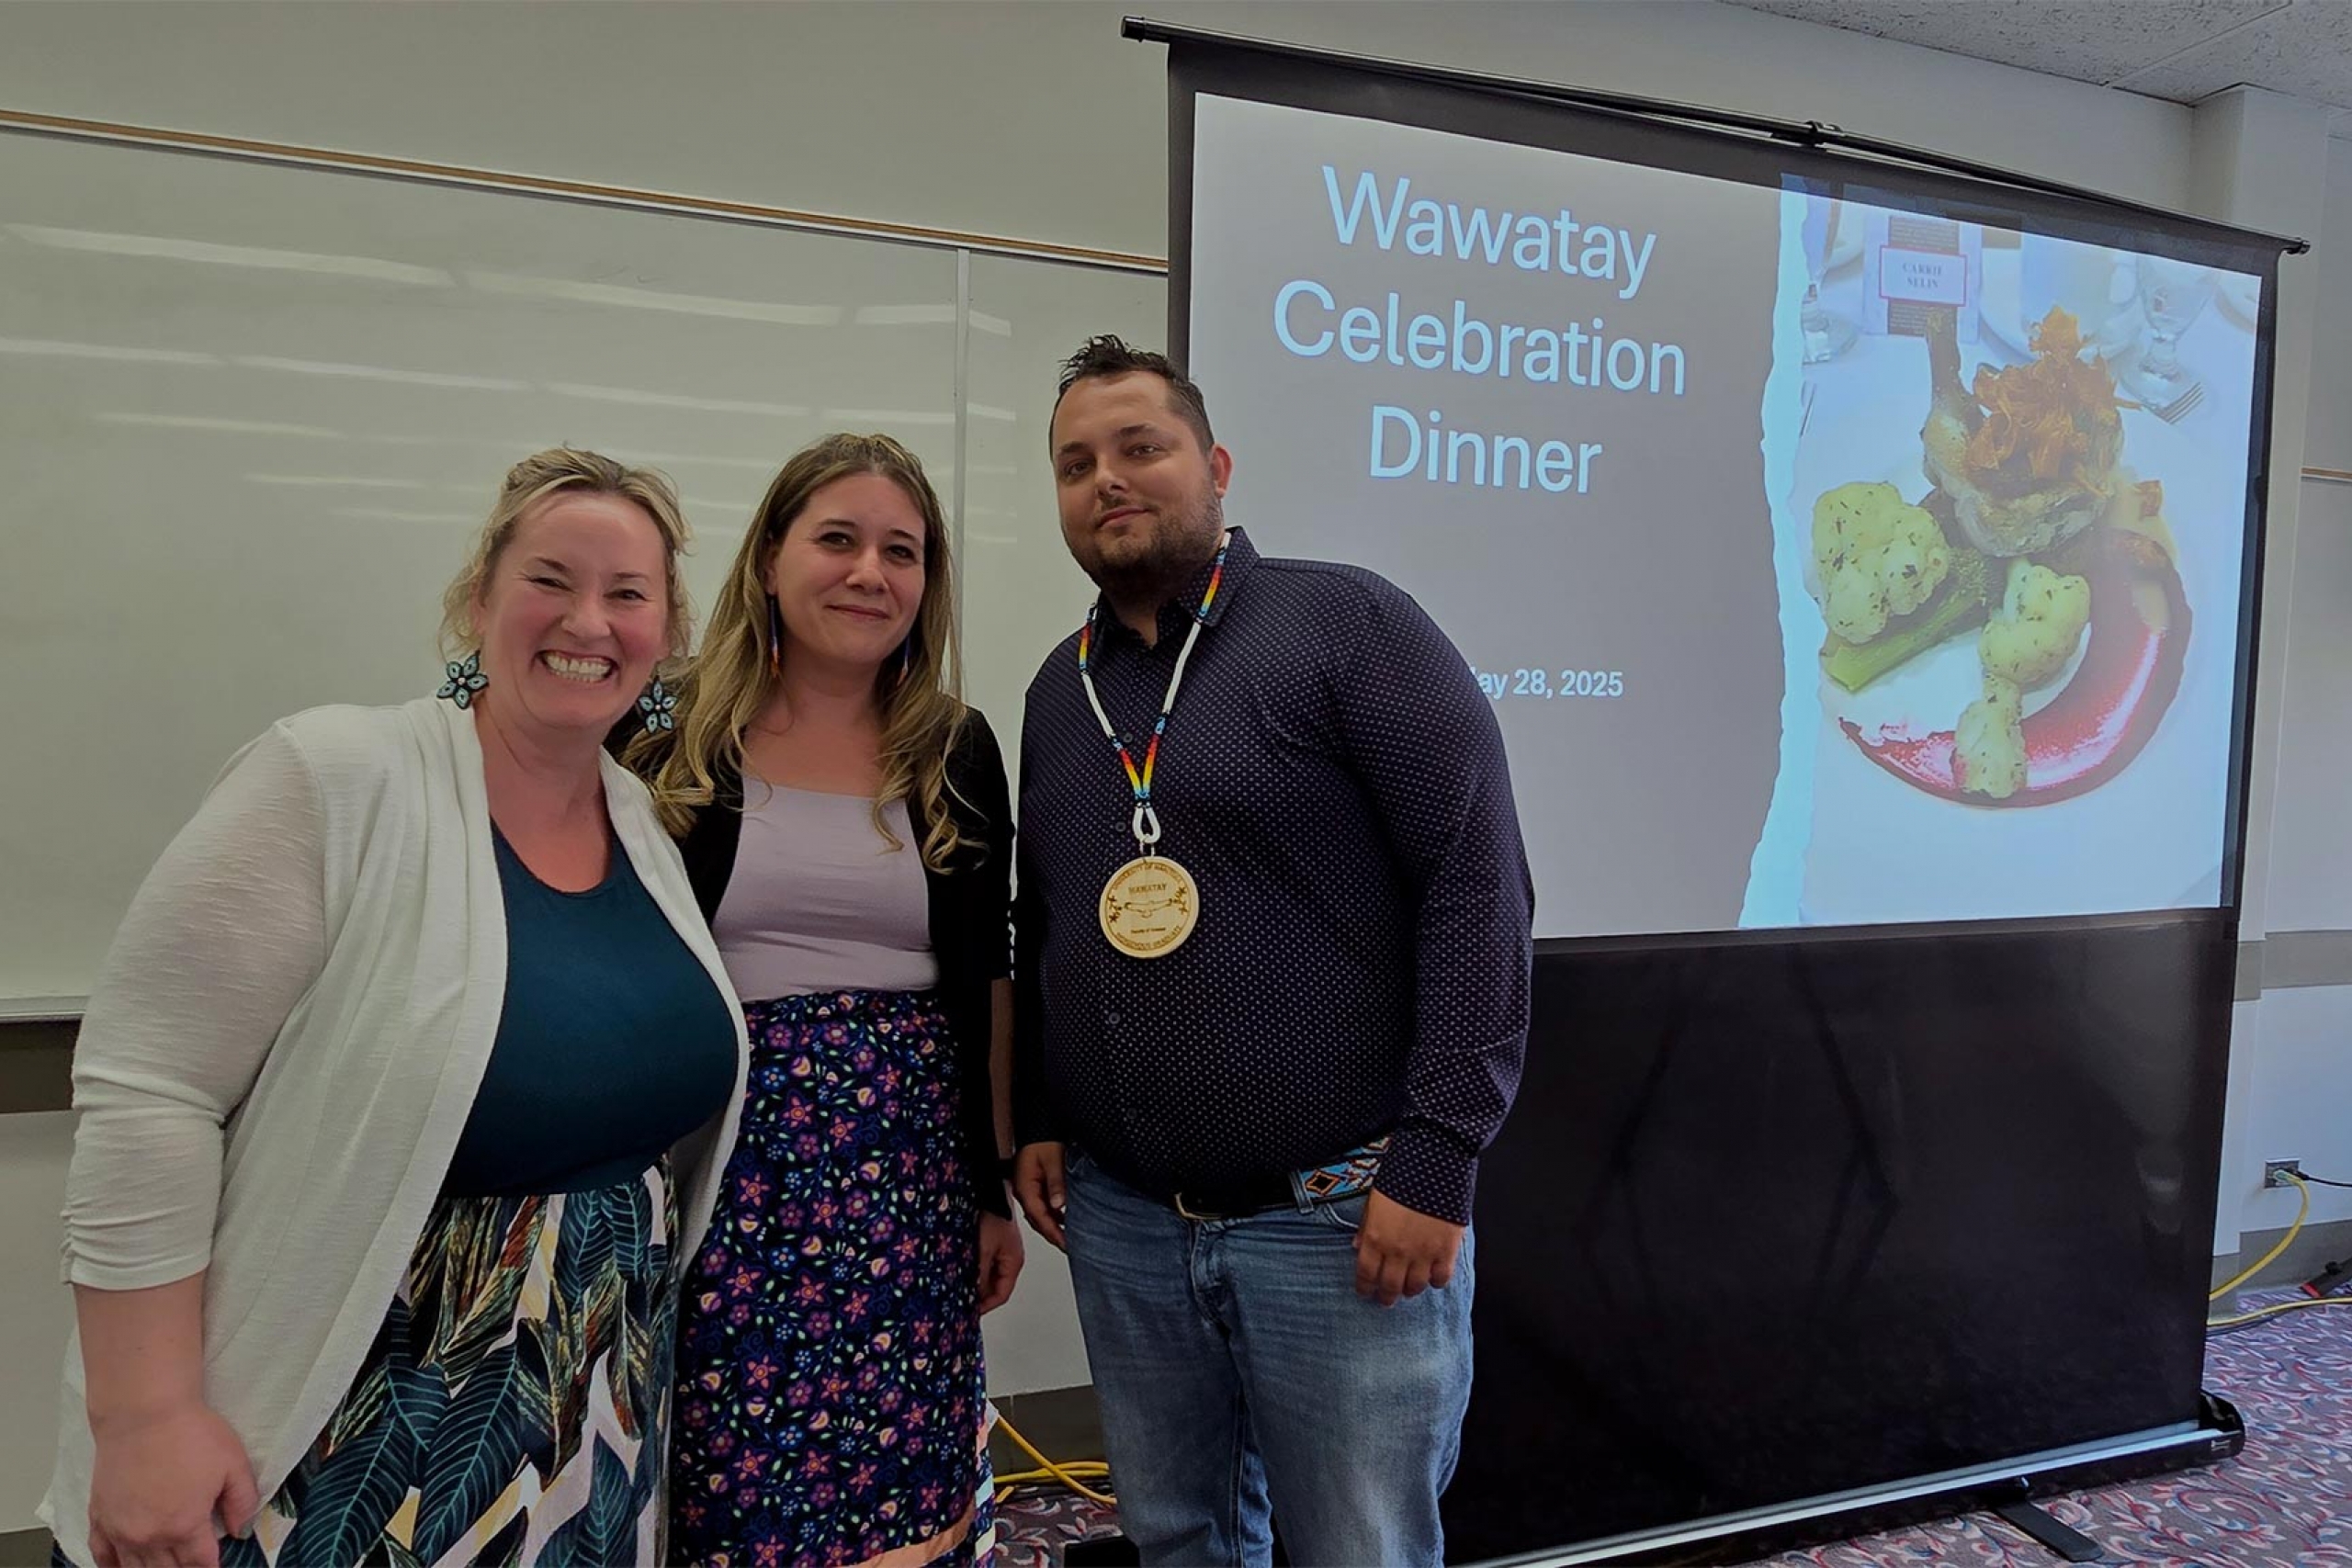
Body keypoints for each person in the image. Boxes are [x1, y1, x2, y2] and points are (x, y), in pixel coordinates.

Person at [42, 449, 749, 1568]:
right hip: (353, 1425)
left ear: (666, 635)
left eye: (629, 595)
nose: (589, 621)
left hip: (586, 1413)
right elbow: (150, 1089)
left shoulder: (643, 826)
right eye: (549, 579)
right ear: (479, 600)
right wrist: (143, 1417)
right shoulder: (336, 778)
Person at [1011, 338, 1534, 1566]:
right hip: (1127, 1221)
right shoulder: (1058, 690)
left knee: (1361, 1547)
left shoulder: (1344, 622)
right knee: (1178, 1536)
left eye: (1141, 446)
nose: (1109, 479)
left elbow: (1474, 876)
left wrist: (1441, 1152)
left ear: (1217, 463)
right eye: (1077, 461)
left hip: (1342, 1215)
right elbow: (1048, 917)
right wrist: (1036, 1106)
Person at [628, 433, 1023, 1568]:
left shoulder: (952, 746)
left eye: (900, 551)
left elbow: (981, 978)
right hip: (724, 1174)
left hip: (909, 1178)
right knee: (738, 1477)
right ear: (768, 558)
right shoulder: (667, 732)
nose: (869, 574)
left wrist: (989, 1188)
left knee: (905, 1474)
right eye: (838, 540)